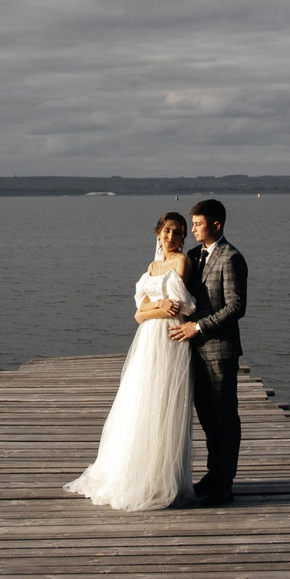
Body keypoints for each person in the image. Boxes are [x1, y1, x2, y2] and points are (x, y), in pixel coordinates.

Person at [63, 213, 198, 512]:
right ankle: (135, 471)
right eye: (167, 231)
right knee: (140, 400)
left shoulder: (181, 263)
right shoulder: (152, 267)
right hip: (147, 341)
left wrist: (152, 309)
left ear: (183, 237)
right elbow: (139, 311)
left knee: (163, 403)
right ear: (158, 233)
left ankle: (161, 480)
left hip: (168, 338)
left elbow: (178, 308)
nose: (171, 237)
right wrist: (151, 308)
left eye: (178, 232)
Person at [167, 197, 245, 504]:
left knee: (225, 419)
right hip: (194, 353)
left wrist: (196, 328)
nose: (193, 229)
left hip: (219, 352)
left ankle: (224, 485)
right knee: (208, 420)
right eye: (193, 224)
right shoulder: (194, 255)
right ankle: (213, 475)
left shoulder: (232, 257)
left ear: (216, 224)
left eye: (198, 224)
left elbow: (236, 307)